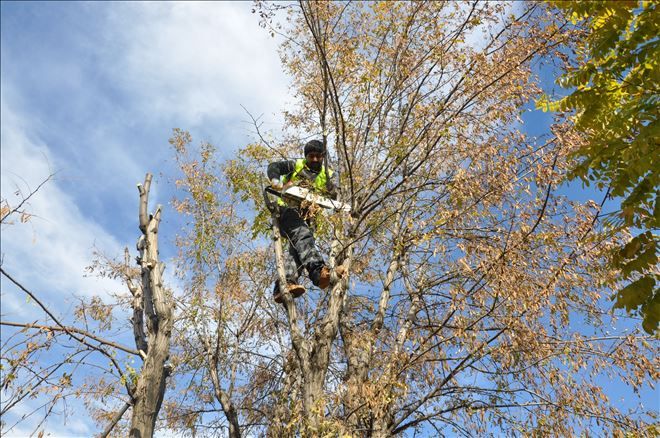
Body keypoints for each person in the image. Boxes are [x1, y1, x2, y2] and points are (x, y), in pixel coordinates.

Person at [267, 139, 341, 303]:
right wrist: (276, 182)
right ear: (306, 156)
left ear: (323, 157)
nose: (314, 160)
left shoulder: (327, 175)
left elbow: (334, 196)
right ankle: (317, 270)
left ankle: (285, 284)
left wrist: (332, 190)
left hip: (307, 216)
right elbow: (274, 167)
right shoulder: (297, 165)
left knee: (298, 248)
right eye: (311, 156)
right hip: (286, 210)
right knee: (303, 234)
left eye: (318, 156)